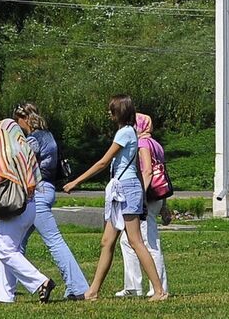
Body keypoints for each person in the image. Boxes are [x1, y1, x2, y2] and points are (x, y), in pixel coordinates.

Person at [65, 93, 168, 301]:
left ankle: (159, 291)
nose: (108, 113)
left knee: (135, 240)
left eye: (111, 110)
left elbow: (103, 162)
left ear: (118, 112)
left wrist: (76, 181)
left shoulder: (125, 133)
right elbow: (138, 170)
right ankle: (92, 292)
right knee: (107, 241)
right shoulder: (129, 132)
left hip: (126, 189)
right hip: (122, 189)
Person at [13, 103, 89, 299]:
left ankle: (78, 287)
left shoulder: (33, 140)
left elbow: (21, 163)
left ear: (23, 120)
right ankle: (1, 285)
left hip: (36, 193)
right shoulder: (48, 136)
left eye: (17, 121)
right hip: (47, 189)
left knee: (54, 241)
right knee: (15, 244)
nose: (16, 125)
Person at [0, 114, 55, 303]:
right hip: (29, 205)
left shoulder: (1, 150)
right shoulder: (25, 148)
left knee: (5, 250)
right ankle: (5, 295)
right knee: (9, 250)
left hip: (12, 205)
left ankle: (41, 282)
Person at [120, 112, 171, 298]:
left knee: (149, 241)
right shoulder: (156, 144)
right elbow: (162, 174)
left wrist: (139, 197)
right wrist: (164, 205)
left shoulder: (142, 143)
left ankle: (156, 287)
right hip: (157, 197)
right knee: (127, 240)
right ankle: (133, 285)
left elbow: (148, 171)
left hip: (146, 197)